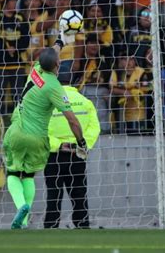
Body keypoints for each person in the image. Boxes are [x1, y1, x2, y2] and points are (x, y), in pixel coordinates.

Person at [3, 32, 88, 230]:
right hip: (37, 138)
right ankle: (24, 216)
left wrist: (59, 39)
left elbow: (50, 54)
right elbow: (72, 120)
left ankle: (21, 210)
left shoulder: (36, 69)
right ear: (57, 65)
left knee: (13, 173)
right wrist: (81, 141)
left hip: (16, 131)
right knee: (29, 175)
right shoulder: (55, 87)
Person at [44, 73, 100, 229]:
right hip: (77, 154)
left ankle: (50, 227)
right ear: (75, 82)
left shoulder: (48, 103)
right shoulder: (85, 102)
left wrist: (59, 145)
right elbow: (94, 128)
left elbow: (41, 130)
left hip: (54, 155)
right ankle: (82, 226)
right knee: (79, 194)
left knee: (54, 195)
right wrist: (81, 145)